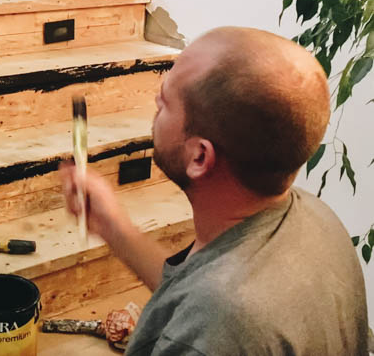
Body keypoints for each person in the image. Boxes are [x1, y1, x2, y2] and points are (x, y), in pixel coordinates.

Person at [59, 27, 368, 355]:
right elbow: (191, 294)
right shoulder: (318, 219)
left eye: (164, 102)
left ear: (199, 157)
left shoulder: (219, 325)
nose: (154, 101)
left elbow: (211, 315)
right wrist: (114, 227)